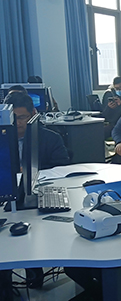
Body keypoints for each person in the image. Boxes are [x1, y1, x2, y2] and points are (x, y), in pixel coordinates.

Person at [4, 92, 69, 288]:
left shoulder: (50, 138)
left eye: (22, 117)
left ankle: (34, 268)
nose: (17, 123)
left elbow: (62, 166)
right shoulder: (3, 138)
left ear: (33, 114)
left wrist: (31, 172)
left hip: (36, 189)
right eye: (13, 118)